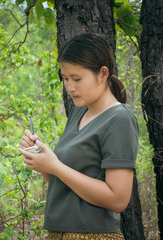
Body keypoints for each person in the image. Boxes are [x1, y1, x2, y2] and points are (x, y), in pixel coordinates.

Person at [18, 33, 139, 240]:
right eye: (65, 78)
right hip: (57, 233)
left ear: (103, 74)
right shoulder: (79, 112)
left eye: (76, 79)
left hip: (93, 235)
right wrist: (42, 158)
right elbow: (63, 179)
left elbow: (118, 199)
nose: (69, 87)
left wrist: (55, 166)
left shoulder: (119, 119)